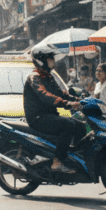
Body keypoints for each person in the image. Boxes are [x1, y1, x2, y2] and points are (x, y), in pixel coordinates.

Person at [23, 43, 84, 174]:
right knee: (68, 124)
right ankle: (57, 161)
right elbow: (45, 95)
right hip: (38, 118)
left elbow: (61, 93)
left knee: (80, 126)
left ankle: (76, 158)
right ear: (41, 60)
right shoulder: (35, 77)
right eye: (50, 58)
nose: (53, 61)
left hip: (49, 116)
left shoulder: (49, 77)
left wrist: (79, 100)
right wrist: (67, 104)